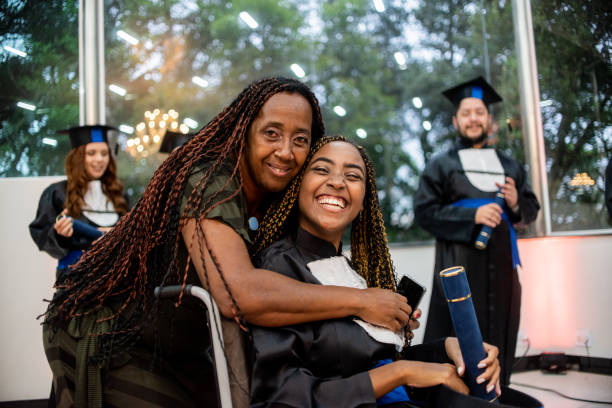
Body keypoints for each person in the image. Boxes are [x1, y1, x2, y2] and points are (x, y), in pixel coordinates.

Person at [41, 77, 413, 408]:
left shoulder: (274, 194)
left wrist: (382, 319)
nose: (285, 151)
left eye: (301, 140)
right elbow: (239, 294)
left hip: (178, 342)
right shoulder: (211, 181)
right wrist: (362, 302)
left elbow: (293, 297)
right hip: (111, 330)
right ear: (243, 131)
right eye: (272, 133)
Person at [249, 135, 501, 408]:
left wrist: (446, 350)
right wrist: (401, 372)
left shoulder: (351, 272)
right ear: (297, 186)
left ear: (363, 202)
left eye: (353, 176)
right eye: (322, 169)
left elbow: (364, 362)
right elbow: (281, 396)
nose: (337, 182)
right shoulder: (278, 268)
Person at [414, 76, 540, 386]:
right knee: (458, 335)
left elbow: (530, 209)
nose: (474, 119)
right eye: (467, 113)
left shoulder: (510, 165)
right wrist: (472, 215)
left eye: (480, 112)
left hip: (503, 270)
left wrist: (514, 203)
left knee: (502, 328)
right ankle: (454, 398)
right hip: (459, 266)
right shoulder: (441, 165)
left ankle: (500, 393)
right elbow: (424, 212)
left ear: (490, 120)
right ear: (456, 120)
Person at [29, 125, 129, 282]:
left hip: (115, 279)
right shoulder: (57, 193)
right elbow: (41, 234)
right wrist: (59, 234)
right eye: (91, 153)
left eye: (104, 153)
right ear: (78, 157)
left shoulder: (119, 195)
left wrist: (113, 233)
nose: (99, 159)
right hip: (75, 280)